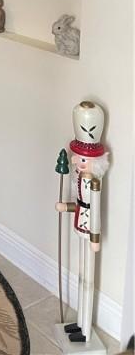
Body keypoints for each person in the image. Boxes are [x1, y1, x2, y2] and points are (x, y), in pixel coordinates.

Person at [56, 101, 110, 343]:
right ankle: (78, 324)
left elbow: (94, 210)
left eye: (83, 161)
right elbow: (78, 204)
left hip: (90, 231)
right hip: (80, 224)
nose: (77, 163)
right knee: (80, 276)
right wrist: (65, 206)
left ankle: (86, 329)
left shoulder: (94, 184)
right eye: (78, 159)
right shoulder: (78, 182)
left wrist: (96, 238)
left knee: (89, 279)